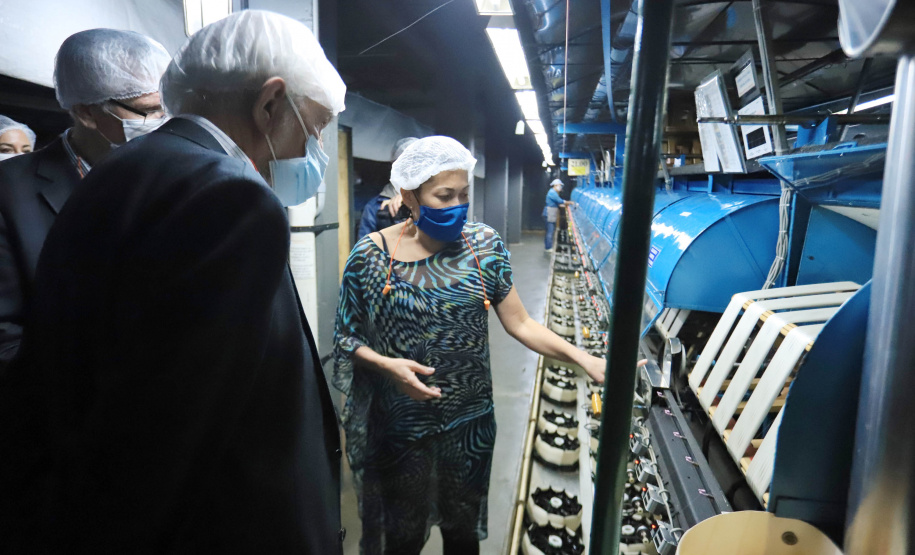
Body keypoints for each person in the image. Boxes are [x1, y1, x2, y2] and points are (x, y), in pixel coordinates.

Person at [1, 11, 346, 553]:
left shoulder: (123, 169)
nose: (314, 150)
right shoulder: (232, 197)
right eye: (316, 126)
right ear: (270, 103)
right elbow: (179, 428)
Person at [333, 136, 613, 555]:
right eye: (444, 196)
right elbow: (345, 337)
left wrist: (585, 359)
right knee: (403, 537)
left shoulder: (483, 247)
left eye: (464, 194)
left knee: (463, 536)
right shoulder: (369, 258)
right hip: (400, 427)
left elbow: (519, 322)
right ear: (409, 195)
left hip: (469, 425)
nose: (457, 206)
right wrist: (388, 366)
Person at [0, 29, 170, 368]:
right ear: (87, 114)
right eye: (147, 111)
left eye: (168, 108)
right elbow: (6, 340)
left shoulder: (178, 176)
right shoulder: (8, 191)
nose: (162, 123)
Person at [356, 136, 417, 239]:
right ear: (393, 167)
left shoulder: (432, 200)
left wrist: (412, 199)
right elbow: (365, 251)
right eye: (404, 164)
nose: (410, 169)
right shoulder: (374, 207)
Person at [543, 178, 572, 251]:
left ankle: (547, 246)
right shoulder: (552, 192)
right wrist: (570, 202)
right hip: (549, 213)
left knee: (549, 230)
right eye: (560, 185)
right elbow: (560, 201)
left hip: (551, 212)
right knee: (550, 230)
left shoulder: (553, 192)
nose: (560, 187)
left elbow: (557, 203)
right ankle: (548, 247)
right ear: (555, 185)